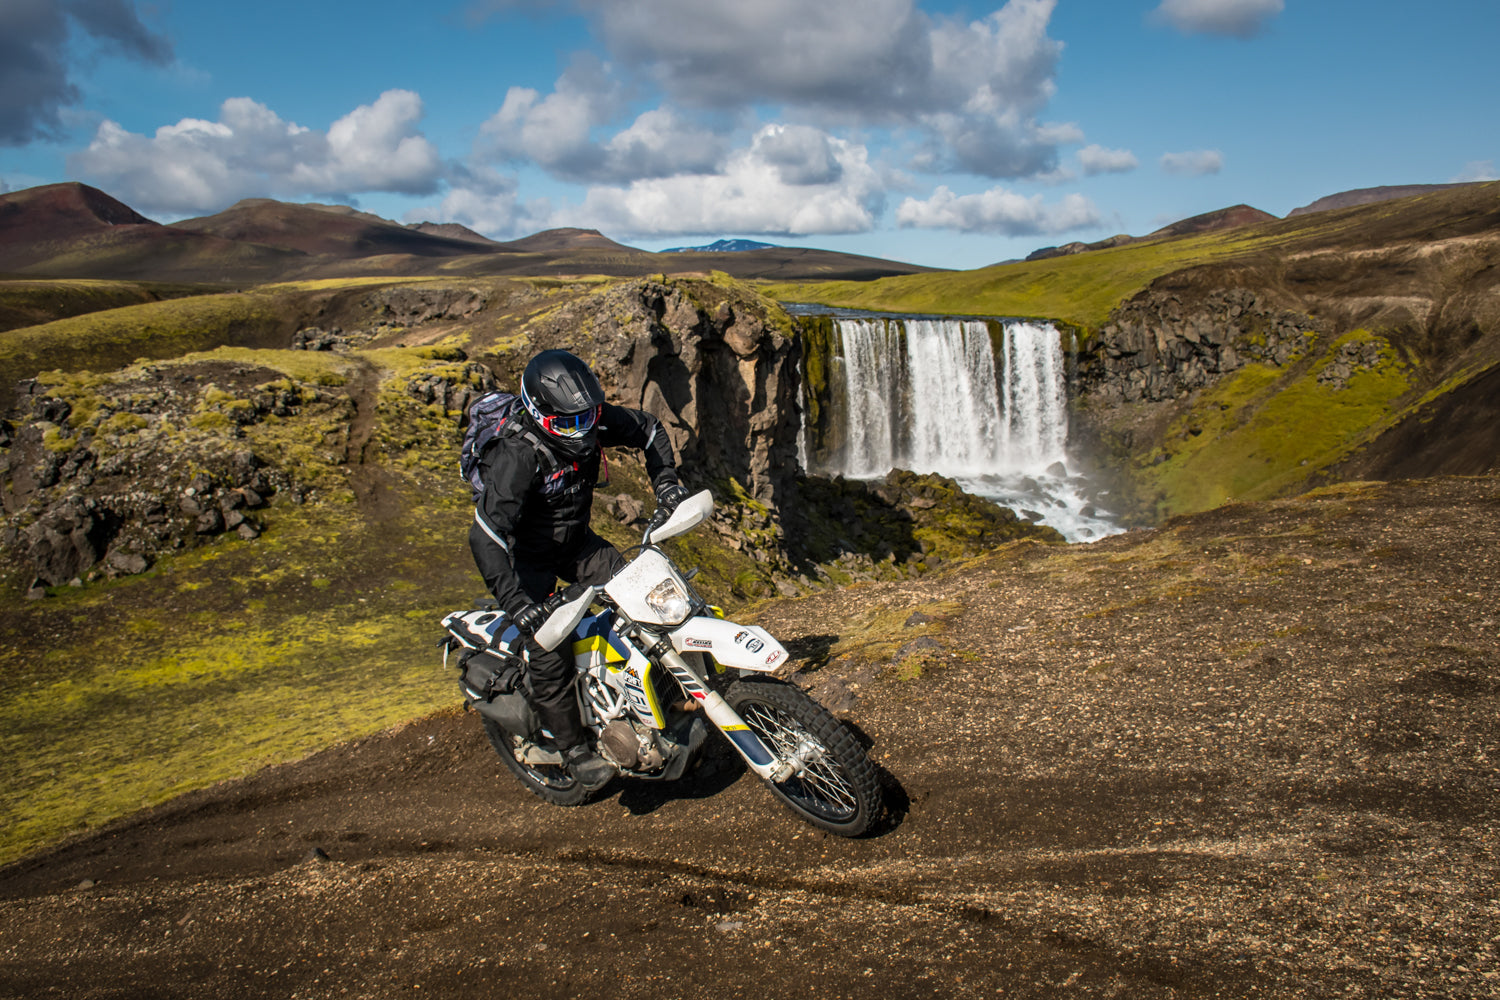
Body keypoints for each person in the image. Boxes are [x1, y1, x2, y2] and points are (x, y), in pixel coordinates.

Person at [469, 349, 690, 791]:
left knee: (644, 597)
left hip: (576, 544)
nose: (583, 430)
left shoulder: (588, 418)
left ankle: (669, 694)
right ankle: (573, 751)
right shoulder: (518, 455)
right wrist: (518, 603)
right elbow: (485, 535)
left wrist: (666, 481)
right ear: (540, 413)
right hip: (526, 563)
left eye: (588, 417)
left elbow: (649, 429)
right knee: (548, 649)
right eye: (569, 422)